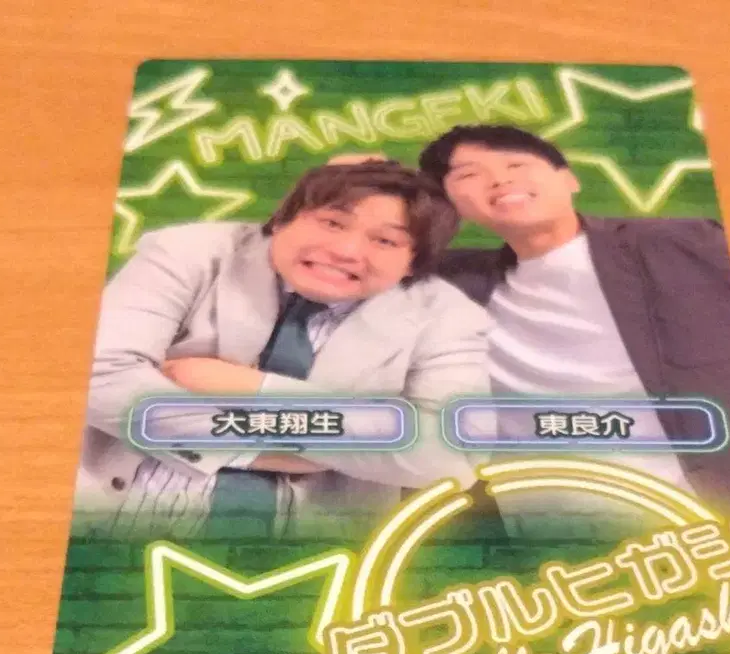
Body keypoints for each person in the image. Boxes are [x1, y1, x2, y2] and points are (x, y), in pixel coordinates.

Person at [76, 161, 490, 539]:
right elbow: (98, 374)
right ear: (282, 219)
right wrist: (254, 449)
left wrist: (253, 388)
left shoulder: (447, 315)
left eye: (385, 240)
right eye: (332, 222)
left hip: (310, 559)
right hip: (116, 523)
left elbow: (452, 452)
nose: (346, 251)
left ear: (413, 263)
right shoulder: (189, 252)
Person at [413, 124, 730, 517]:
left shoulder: (678, 243)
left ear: (569, 180)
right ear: (452, 203)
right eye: (469, 174)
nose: (500, 178)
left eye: (517, 164)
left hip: (708, 508)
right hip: (547, 524)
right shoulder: (455, 283)